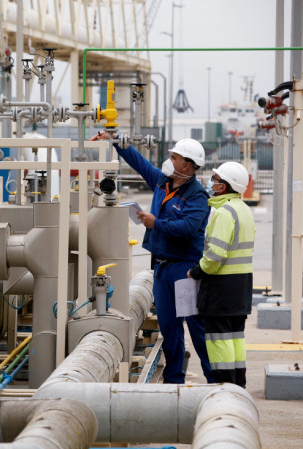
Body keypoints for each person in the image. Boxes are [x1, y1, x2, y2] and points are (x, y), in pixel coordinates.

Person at [91, 132, 214, 384]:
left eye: (174, 157)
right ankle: (173, 380)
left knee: (196, 327)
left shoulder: (197, 195)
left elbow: (188, 228)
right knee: (169, 327)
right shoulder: (162, 181)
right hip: (162, 269)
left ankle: (216, 379)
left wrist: (155, 223)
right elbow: (140, 163)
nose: (169, 161)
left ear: (187, 165)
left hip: (186, 270)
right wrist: (116, 140)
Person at [188, 162, 256, 387]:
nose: (211, 182)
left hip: (221, 287)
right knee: (235, 338)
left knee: (218, 339)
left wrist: (197, 271)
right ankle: (238, 386)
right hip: (241, 286)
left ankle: (224, 387)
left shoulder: (224, 212)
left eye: (216, 179)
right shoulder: (243, 209)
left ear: (224, 186)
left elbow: (215, 255)